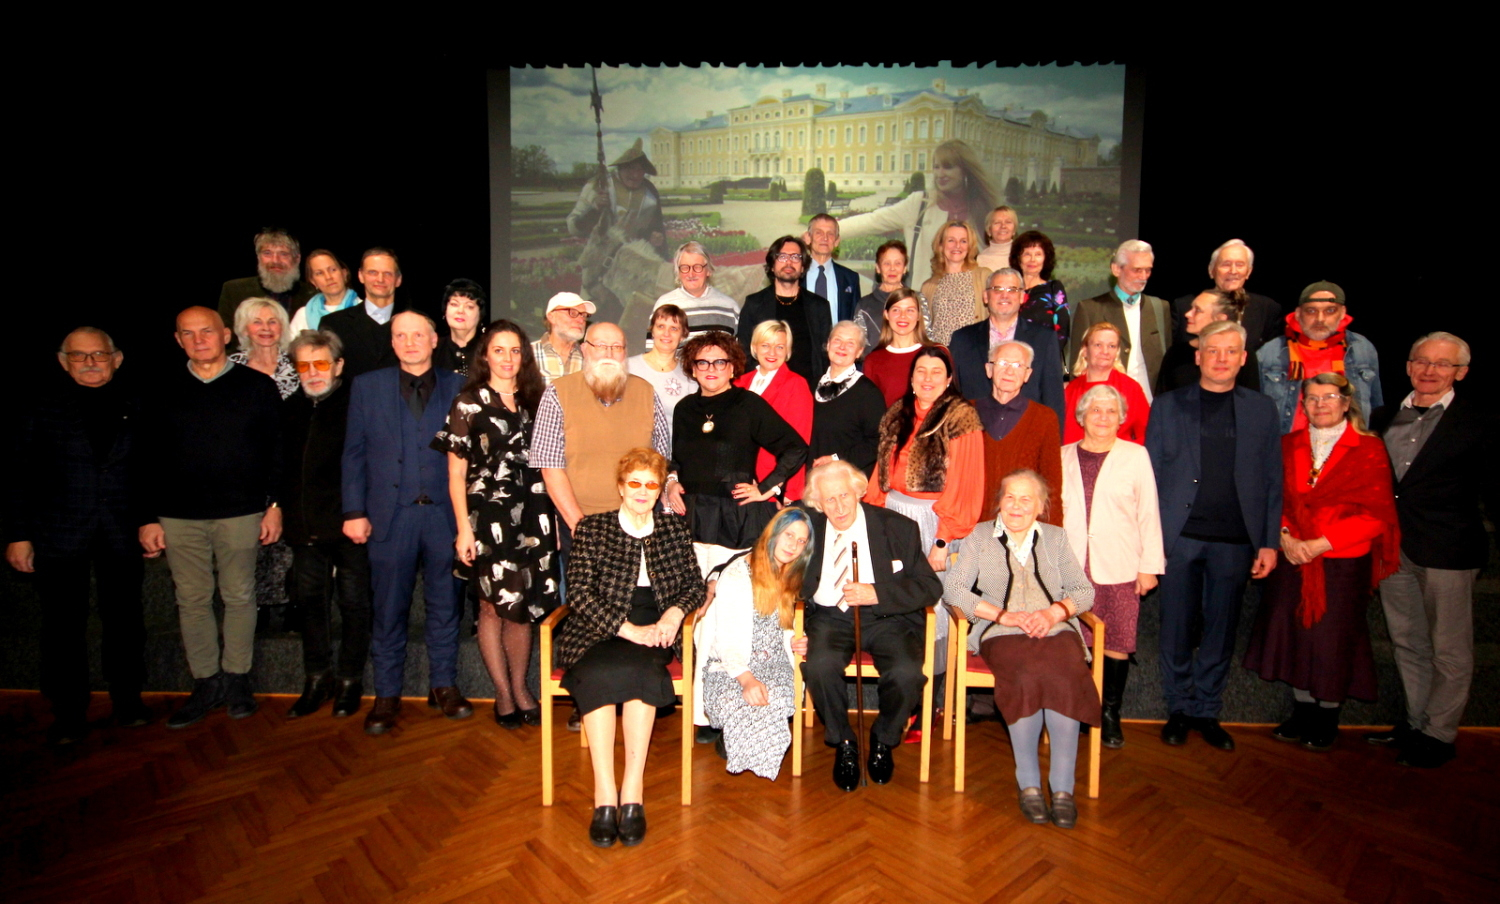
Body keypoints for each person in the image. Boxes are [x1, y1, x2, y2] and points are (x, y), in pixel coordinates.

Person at [138, 307, 283, 729]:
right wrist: (147, 517)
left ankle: (237, 679)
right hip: (177, 515)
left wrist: (274, 506)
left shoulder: (257, 386)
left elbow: (276, 452)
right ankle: (206, 681)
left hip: (241, 510)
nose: (199, 339)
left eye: (207, 331)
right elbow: (144, 460)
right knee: (192, 599)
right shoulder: (160, 388)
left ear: (225, 335)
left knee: (239, 595)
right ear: (178, 339)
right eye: (189, 333)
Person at [552, 448, 704, 847]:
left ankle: (632, 792)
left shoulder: (674, 530)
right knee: (597, 673)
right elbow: (581, 595)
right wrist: (625, 629)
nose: (642, 491)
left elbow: (693, 585)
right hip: (598, 626)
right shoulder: (593, 528)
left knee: (641, 673)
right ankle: (605, 795)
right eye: (634, 483)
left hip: (654, 626)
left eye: (651, 484)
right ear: (620, 488)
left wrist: (672, 616)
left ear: (659, 492)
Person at [6, 328, 150, 744]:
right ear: (62, 360)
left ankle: (128, 700)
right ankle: (68, 710)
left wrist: (148, 519)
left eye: (98, 355)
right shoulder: (39, 406)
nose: (90, 363)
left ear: (117, 358)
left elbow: (148, 470)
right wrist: (18, 534)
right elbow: (17, 475)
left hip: (121, 531)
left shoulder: (136, 404)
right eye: (80, 356)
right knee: (61, 626)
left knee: (125, 620)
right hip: (59, 532)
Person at [1244, 374, 1399, 751]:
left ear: (1347, 403)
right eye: (1311, 399)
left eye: (1329, 397)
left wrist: (1320, 544)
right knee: (1295, 632)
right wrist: (1285, 537)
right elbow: (1270, 497)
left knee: (1332, 640)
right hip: (1292, 555)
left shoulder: (1368, 449)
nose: (1320, 405)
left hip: (1341, 559)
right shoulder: (1289, 445)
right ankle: (1302, 710)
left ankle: (1327, 714)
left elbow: (1378, 514)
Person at [1146, 320, 1282, 752]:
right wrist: (1149, 542)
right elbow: (1151, 478)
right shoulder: (1167, 407)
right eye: (1213, 350)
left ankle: (1207, 709)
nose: (1221, 358)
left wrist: (1267, 541)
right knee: (1177, 627)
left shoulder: (1262, 410)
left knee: (1221, 629)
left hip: (1236, 539)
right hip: (1179, 538)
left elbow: (1272, 480)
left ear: (1243, 359)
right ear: (1198, 356)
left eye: (1231, 352)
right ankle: (1179, 708)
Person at [1366, 332, 1497, 767]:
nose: (1429, 370)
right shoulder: (1385, 416)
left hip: (1449, 550)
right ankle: (1416, 722)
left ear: (1460, 372)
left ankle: (1440, 734)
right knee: (1408, 641)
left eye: (1442, 364)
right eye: (1421, 361)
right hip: (1392, 548)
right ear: (1407, 366)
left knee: (1450, 648)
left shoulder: (1477, 421)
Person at [944, 469, 1099, 829]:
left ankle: (1062, 789)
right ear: (999, 501)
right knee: (1026, 674)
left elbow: (1084, 591)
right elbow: (954, 590)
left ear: (1040, 506)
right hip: (1001, 631)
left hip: (1056, 629)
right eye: (1009, 497)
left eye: (1026, 499)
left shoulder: (1056, 539)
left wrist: (1053, 612)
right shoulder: (981, 536)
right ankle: (1028, 783)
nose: (1016, 505)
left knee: (1067, 672)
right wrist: (1004, 616)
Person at [342, 311, 471, 735]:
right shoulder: (367, 387)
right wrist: (354, 512)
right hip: (388, 517)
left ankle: (444, 685)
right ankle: (386, 695)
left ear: (435, 340)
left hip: (444, 517)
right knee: (388, 610)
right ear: (392, 343)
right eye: (401, 336)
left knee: (445, 606)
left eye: (419, 335)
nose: (410, 342)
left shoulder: (460, 386)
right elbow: (354, 454)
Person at [434, 320, 558, 729]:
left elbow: (551, 463)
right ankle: (503, 694)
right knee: (491, 608)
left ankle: (521, 688)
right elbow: (455, 475)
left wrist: (552, 521)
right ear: (485, 355)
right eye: (499, 350)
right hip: (486, 519)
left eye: (516, 350)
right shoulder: (468, 402)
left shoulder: (536, 400)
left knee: (520, 610)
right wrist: (463, 530)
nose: (508, 358)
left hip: (534, 515)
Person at [801, 460, 943, 791]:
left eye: (844, 496)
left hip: (886, 619)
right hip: (829, 618)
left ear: (859, 493)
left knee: (907, 673)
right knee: (819, 667)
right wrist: (792, 630)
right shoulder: (807, 530)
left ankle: (883, 737)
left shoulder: (898, 528)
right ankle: (844, 743)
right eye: (829, 501)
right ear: (818, 504)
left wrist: (876, 593)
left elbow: (929, 587)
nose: (838, 507)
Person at [866, 345, 984, 681]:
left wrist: (943, 540)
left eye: (936, 372)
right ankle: (904, 685)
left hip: (934, 520)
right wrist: (872, 519)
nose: (927, 378)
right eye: (920, 371)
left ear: (948, 379)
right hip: (892, 517)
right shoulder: (897, 412)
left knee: (936, 606)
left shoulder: (961, 416)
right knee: (899, 603)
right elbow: (880, 474)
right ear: (912, 378)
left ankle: (931, 696)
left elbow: (966, 485)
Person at [1061, 384, 1164, 749]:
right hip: (1072, 569)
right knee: (1075, 643)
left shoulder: (1136, 456)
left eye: (1110, 412)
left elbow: (1149, 514)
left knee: (1117, 641)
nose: (1102, 417)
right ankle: (1078, 711)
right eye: (1095, 410)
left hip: (1120, 565)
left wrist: (1150, 566)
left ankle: (1109, 714)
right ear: (1081, 416)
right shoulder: (1063, 457)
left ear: (1121, 418)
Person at [280, 329, 371, 719]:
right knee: (310, 604)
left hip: (349, 525)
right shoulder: (289, 409)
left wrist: (359, 514)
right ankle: (317, 678)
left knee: (354, 604)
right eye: (304, 365)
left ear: (338, 365)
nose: (313, 372)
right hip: (304, 526)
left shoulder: (357, 405)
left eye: (321, 363)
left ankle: (350, 680)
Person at [665, 332, 808, 555]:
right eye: (703, 362)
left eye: (720, 362)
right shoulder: (684, 409)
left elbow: (795, 448)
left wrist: (765, 488)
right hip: (691, 515)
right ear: (693, 369)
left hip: (736, 519)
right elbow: (678, 459)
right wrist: (672, 482)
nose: (711, 369)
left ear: (732, 369)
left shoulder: (748, 405)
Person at [698, 508, 812, 779]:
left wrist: (804, 640)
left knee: (775, 701)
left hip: (776, 662)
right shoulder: (738, 574)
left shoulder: (795, 576)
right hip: (731, 665)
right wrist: (746, 679)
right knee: (743, 702)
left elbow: (799, 626)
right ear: (773, 532)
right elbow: (727, 639)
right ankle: (735, 734)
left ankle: (740, 738)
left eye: (801, 541)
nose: (793, 545)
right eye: (788, 535)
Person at [837, 139, 998, 289]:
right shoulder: (920, 204)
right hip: (923, 304)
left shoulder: (984, 211)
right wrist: (827, 231)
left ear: (966, 171)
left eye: (948, 167)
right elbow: (873, 221)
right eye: (936, 167)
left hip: (968, 306)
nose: (940, 173)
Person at [1257, 281, 1382, 435]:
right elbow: (1255, 412)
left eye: (1330, 311)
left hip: (1348, 450)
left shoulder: (1361, 348)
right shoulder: (1271, 352)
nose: (1320, 319)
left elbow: (1376, 407)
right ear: (1298, 313)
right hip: (1288, 450)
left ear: (1343, 312)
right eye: (1311, 311)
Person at [567, 138, 668, 323]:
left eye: (639, 170)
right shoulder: (598, 187)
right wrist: (595, 208)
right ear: (620, 168)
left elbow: (654, 229)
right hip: (600, 266)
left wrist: (654, 238)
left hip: (630, 273)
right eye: (630, 169)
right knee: (592, 319)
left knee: (630, 321)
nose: (635, 174)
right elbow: (573, 225)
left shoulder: (649, 194)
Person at [950, 268, 1066, 423]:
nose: (1005, 295)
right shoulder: (962, 339)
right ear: (985, 296)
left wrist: (1053, 444)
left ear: (1022, 297)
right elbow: (952, 396)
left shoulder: (1044, 339)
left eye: (1012, 290)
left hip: (1027, 433)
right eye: (997, 289)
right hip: (974, 434)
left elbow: (1054, 398)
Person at [1068, 240, 1170, 404]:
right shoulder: (1090, 309)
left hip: (1150, 403)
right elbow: (1078, 365)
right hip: (1104, 404)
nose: (1143, 277)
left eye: (1148, 270)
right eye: (1137, 270)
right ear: (1116, 269)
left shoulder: (1160, 307)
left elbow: (1166, 363)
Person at [975, 341, 1063, 529]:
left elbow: (1052, 487)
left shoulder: (1044, 419)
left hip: (1023, 529)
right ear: (989, 369)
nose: (1009, 371)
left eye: (1017, 366)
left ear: (1027, 374)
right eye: (1003, 363)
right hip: (973, 528)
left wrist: (1051, 538)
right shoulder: (965, 412)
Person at [735, 320, 814, 502]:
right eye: (765, 345)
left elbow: (799, 445)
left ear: (788, 351)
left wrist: (780, 492)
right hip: (741, 485)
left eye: (779, 347)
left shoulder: (796, 384)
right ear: (754, 347)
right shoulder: (739, 383)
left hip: (773, 489)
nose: (772, 352)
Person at [736, 236, 830, 383]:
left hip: (808, 390)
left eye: (796, 257)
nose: (789, 262)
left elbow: (824, 355)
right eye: (782, 256)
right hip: (765, 391)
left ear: (803, 266)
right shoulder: (754, 304)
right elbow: (743, 353)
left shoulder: (819, 306)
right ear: (772, 265)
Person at [1171, 238, 1282, 352]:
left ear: (1248, 272)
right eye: (1226, 264)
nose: (1233, 271)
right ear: (1211, 270)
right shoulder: (1183, 306)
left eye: (1239, 265)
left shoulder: (1267, 308)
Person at [810, 321, 887, 479]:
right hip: (811, 479)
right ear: (828, 344)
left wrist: (837, 459)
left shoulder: (868, 393)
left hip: (846, 481)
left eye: (850, 343)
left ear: (859, 352)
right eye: (838, 340)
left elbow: (878, 442)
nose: (842, 347)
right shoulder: (809, 385)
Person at [321, 247, 405, 379]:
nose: (380, 279)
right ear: (360, 275)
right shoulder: (333, 324)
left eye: (387, 273)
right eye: (373, 272)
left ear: (398, 279)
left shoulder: (416, 323)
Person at [1063, 322, 1150, 445]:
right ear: (1084, 350)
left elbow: (1148, 434)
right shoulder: (1070, 390)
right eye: (1098, 345)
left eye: (1112, 346)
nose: (1105, 351)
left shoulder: (1131, 388)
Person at [1157, 289, 1259, 394]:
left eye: (1198, 310)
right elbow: (1163, 399)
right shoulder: (1176, 353)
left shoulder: (1240, 354)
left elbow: (1251, 400)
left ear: (1219, 319)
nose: (1188, 314)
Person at [217, 227, 316, 335]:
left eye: (283, 254)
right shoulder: (234, 291)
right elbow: (225, 339)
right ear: (258, 257)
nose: (275, 260)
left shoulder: (312, 296)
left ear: (297, 259)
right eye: (267, 253)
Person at [627, 303, 695, 441]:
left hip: (673, 456)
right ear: (652, 331)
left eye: (674, 328)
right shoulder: (628, 367)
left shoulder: (690, 375)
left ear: (683, 335)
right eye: (661, 326)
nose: (666, 334)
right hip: (633, 452)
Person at [861, 287, 937, 408]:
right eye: (896, 310)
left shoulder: (936, 353)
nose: (903, 316)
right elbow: (868, 409)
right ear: (886, 314)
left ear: (918, 315)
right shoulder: (873, 360)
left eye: (910, 310)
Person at [919, 220, 989, 346]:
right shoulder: (928, 286)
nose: (957, 246)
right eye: (951, 240)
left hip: (973, 353)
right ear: (940, 245)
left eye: (963, 241)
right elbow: (924, 330)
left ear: (970, 246)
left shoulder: (984, 277)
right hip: (940, 357)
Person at [653, 241, 741, 337]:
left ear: (708, 271)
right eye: (685, 267)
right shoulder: (664, 305)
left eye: (697, 267)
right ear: (678, 272)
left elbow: (737, 350)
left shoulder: (729, 307)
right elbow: (654, 349)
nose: (691, 274)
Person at [1011, 230, 1069, 356]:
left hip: (1045, 359)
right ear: (1018, 258)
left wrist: (1046, 358)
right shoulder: (1009, 290)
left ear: (1045, 258)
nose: (1032, 260)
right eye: (1027, 254)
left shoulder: (1054, 289)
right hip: (1011, 360)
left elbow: (1062, 331)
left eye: (1038, 254)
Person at [230, 297, 299, 399]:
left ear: (282, 327)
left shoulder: (297, 362)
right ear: (244, 328)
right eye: (257, 322)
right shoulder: (231, 365)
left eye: (272, 322)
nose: (266, 328)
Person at [852, 240, 914, 352]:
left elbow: (926, 339)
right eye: (887, 263)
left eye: (898, 263)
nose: (892, 268)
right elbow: (859, 347)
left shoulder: (917, 300)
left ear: (905, 268)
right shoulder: (864, 305)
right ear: (878, 268)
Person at [802, 212, 861, 325]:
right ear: (808, 238)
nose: (825, 238)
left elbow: (855, 321)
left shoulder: (850, 278)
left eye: (830, 234)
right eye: (819, 233)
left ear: (837, 241)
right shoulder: (796, 276)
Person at [289, 249, 360, 334]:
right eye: (319, 273)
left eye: (333, 270)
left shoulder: (365, 310)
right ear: (313, 281)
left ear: (344, 273)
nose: (328, 277)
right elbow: (290, 346)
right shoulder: (304, 315)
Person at [531, 292, 594, 385]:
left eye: (584, 315)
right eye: (572, 313)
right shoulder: (527, 353)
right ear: (551, 317)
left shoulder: (588, 358)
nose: (581, 320)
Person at [433, 279, 487, 375]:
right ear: (445, 310)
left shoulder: (489, 349)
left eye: (469, 306)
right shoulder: (433, 348)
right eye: (454, 304)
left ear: (480, 314)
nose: (460, 311)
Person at [976, 205, 1019, 273]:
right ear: (989, 230)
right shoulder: (980, 260)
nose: (1003, 226)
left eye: (1008, 222)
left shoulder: (1022, 256)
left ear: (1014, 230)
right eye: (997, 223)